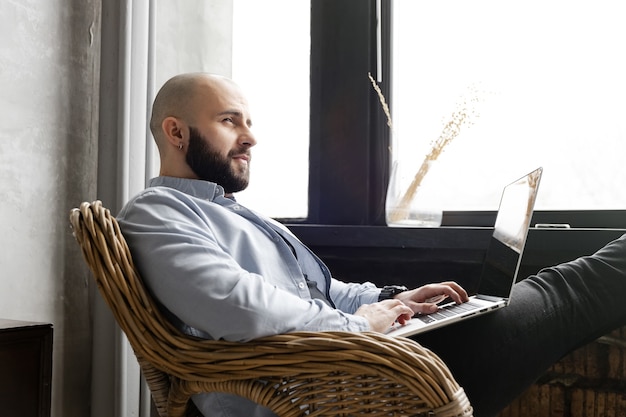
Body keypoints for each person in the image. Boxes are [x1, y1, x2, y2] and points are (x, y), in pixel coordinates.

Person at [117, 72, 626, 417]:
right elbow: (235, 306)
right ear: (176, 132)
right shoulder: (159, 212)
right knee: (571, 289)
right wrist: (363, 326)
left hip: (356, 361)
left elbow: (324, 292)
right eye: (230, 121)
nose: (250, 138)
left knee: (559, 290)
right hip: (332, 386)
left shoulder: (233, 213)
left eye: (249, 122)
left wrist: (392, 301)